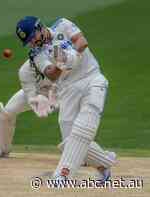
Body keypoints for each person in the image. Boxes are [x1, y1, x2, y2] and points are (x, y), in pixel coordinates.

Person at [15, 16, 117, 182]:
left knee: (84, 126)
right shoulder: (37, 54)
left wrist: (71, 55)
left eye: (33, 37)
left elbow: (82, 42)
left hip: (92, 78)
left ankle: (62, 175)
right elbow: (51, 75)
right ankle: (104, 164)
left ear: (40, 28)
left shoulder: (63, 24)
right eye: (29, 41)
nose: (32, 43)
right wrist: (61, 63)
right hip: (68, 88)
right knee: (69, 139)